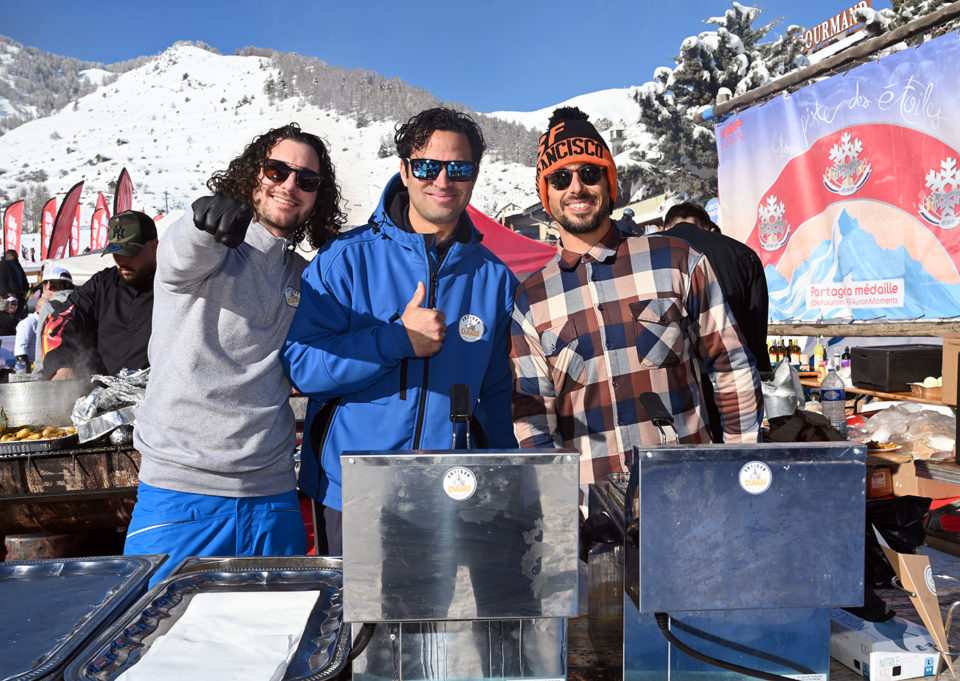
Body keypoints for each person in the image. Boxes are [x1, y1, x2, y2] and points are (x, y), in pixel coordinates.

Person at [282, 107, 518, 555]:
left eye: (459, 168)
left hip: (456, 493)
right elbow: (302, 366)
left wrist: (505, 483)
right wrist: (394, 341)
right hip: (354, 493)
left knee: (446, 624)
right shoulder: (345, 259)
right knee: (358, 626)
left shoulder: (495, 279)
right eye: (428, 166)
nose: (443, 180)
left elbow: (498, 396)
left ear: (474, 176)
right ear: (406, 172)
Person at [124, 123, 346, 585]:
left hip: (274, 496)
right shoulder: (213, 251)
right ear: (252, 176)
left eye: (307, 180)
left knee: (276, 645)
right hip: (183, 494)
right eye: (277, 170)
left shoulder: (303, 276)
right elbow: (181, 255)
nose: (290, 185)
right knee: (153, 646)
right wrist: (201, 221)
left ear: (317, 197)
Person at [510, 107, 763, 505]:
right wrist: (558, 512)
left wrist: (741, 472)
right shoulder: (532, 299)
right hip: (592, 515)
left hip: (690, 495)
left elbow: (733, 371)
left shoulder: (677, 259)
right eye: (560, 178)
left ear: (609, 182)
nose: (576, 187)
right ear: (547, 194)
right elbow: (534, 423)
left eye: (589, 173)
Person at [662, 201, 771, 440]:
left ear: (665, 226)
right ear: (708, 227)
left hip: (677, 388)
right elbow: (756, 320)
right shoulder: (742, 254)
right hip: (736, 380)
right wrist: (760, 366)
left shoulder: (652, 256)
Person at [43, 210, 157, 381]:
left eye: (130, 252)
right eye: (116, 252)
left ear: (154, 246)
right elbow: (61, 321)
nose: (122, 261)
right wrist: (61, 363)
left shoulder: (177, 284)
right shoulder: (101, 284)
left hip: (158, 395)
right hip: (102, 394)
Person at [14, 266, 75, 371]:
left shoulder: (50, 307)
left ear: (48, 285)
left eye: (42, 286)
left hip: (57, 371)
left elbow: (42, 344)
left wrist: (38, 372)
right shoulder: (85, 302)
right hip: (85, 368)